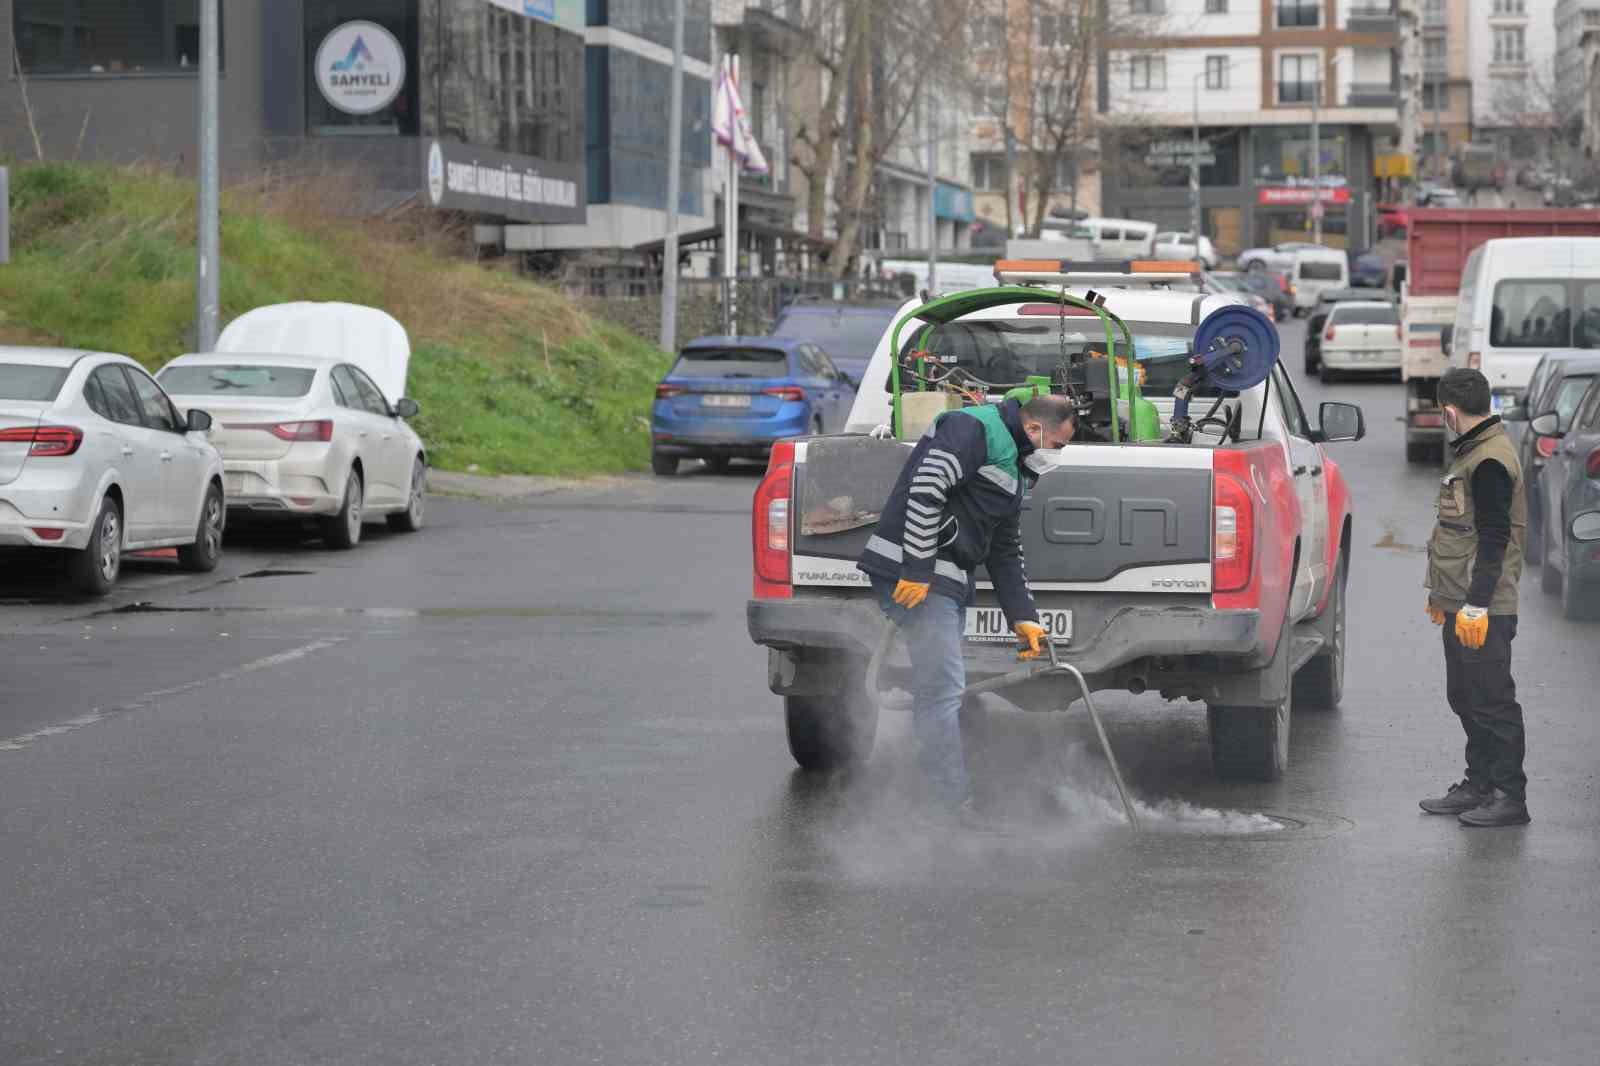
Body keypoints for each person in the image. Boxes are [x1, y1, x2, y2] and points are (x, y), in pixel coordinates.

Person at [859, 393, 1078, 815]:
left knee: (941, 689)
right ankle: (945, 805)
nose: (1057, 455)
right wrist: (917, 569)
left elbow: (1004, 549)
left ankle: (942, 788)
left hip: (947, 580)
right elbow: (926, 490)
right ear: (1034, 430)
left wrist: (1024, 618)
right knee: (942, 689)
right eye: (1058, 445)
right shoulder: (973, 428)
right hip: (914, 576)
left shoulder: (1015, 465)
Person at [1420, 368, 1531, 827]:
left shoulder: (1489, 461)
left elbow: (1494, 538)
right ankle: (1480, 784)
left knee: (1490, 700)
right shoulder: (1475, 451)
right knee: (1465, 696)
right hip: (1461, 599)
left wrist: (1476, 604)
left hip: (1482, 604)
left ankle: (1509, 796)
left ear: (1449, 411)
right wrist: (1445, 596)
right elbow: (1459, 533)